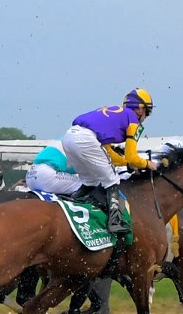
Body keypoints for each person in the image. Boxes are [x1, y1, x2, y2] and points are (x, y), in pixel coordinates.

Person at [61, 89, 158, 235]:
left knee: (90, 182)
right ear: (140, 109)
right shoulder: (133, 120)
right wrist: (147, 164)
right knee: (112, 181)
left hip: (69, 138)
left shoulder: (116, 116)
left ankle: (70, 205)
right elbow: (132, 156)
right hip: (86, 140)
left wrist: (126, 163)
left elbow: (110, 154)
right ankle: (115, 223)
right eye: (147, 112)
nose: (146, 117)